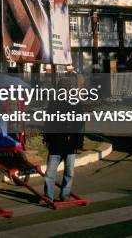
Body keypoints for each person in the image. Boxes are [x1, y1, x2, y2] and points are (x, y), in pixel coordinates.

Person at [42, 76, 84, 204]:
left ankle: (65, 195)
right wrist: (46, 139)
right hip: (55, 143)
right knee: (50, 173)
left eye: (65, 88)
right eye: (61, 88)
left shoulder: (76, 104)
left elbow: (80, 125)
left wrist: (78, 144)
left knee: (69, 172)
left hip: (70, 144)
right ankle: (48, 197)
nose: (63, 91)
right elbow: (48, 122)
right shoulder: (53, 103)